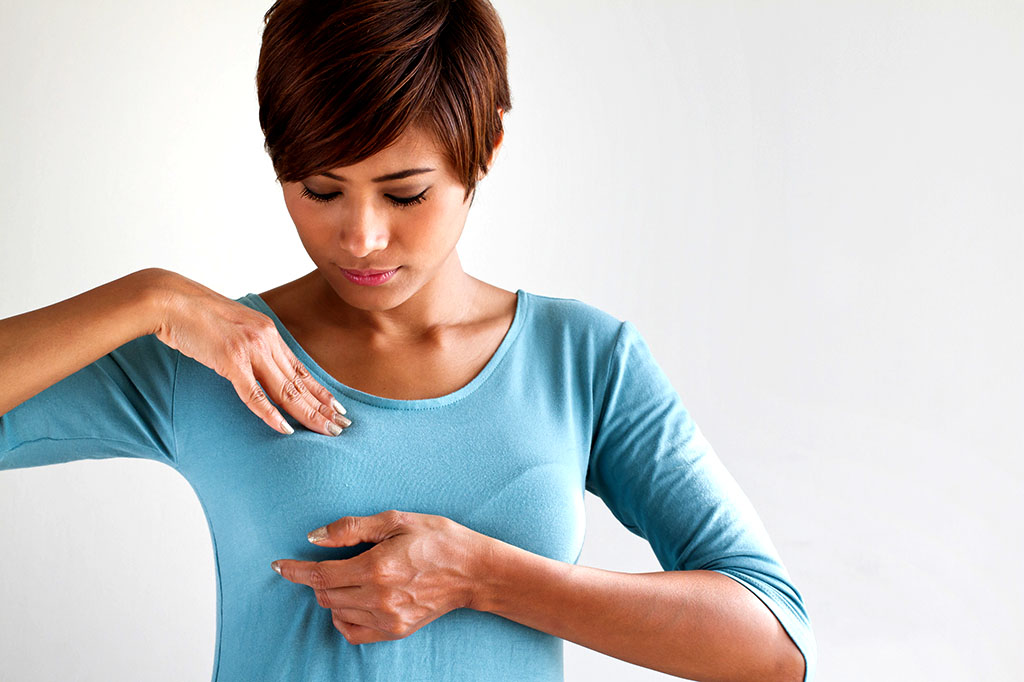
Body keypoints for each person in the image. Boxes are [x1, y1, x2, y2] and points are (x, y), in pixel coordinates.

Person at [0, 0, 817, 680]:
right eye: (321, 190)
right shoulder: (215, 356)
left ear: (487, 146)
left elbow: (774, 644)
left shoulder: (584, 360)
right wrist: (151, 296)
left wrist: (482, 578)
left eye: (405, 193)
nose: (360, 238)